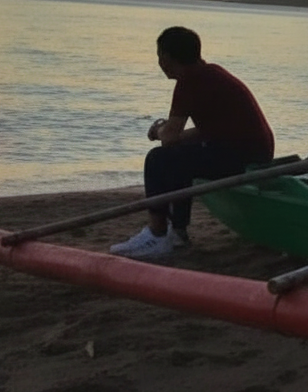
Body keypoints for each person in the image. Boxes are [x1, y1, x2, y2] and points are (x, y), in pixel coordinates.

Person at [110, 26, 275, 260]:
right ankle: (177, 232)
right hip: (253, 151)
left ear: (166, 58)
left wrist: (157, 129)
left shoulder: (189, 82)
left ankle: (157, 233)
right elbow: (205, 131)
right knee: (178, 156)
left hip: (242, 154)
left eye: (159, 56)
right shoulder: (210, 74)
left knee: (157, 158)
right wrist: (168, 133)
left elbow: (168, 138)